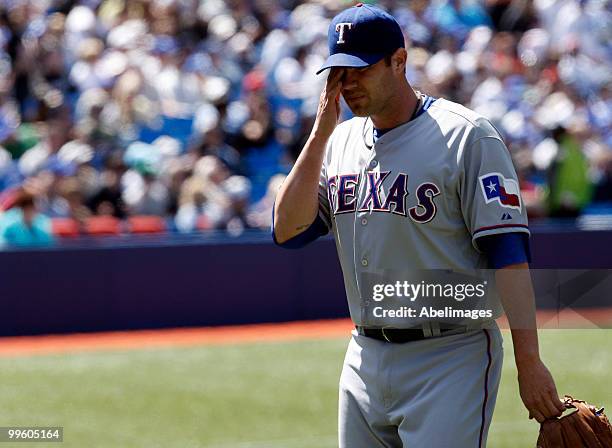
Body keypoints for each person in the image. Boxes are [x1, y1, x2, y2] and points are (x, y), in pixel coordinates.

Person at [273, 4, 564, 447]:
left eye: (361, 69)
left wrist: (530, 362)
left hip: (450, 353)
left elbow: (507, 253)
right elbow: (287, 231)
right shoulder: (340, 143)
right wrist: (319, 136)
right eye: (338, 72)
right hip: (364, 355)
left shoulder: (467, 136)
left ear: (399, 61)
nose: (348, 83)